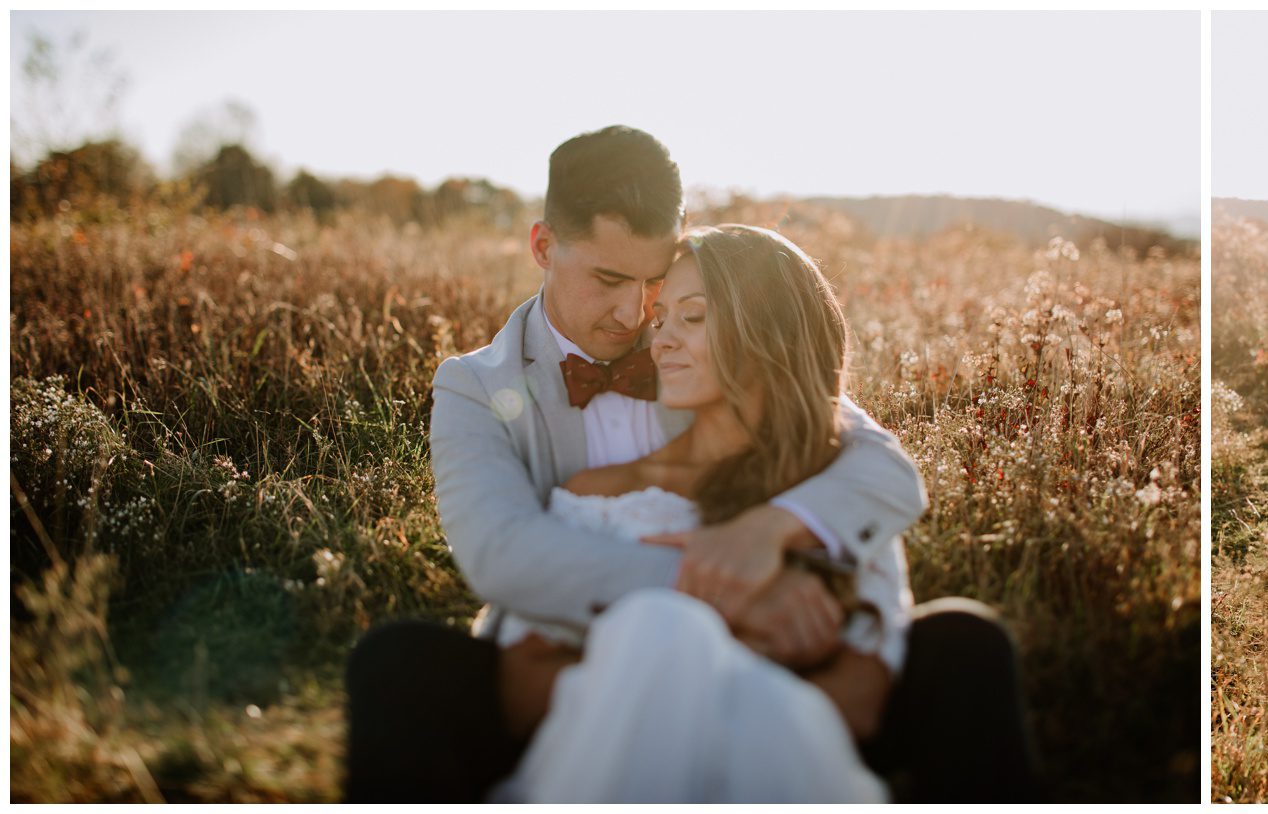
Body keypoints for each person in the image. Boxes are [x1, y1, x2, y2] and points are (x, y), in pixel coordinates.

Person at [345, 126, 1040, 802]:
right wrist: (730, 592)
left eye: (655, 284)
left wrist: (769, 531)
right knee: (398, 663)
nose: (634, 314)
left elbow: (876, 467)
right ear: (543, 245)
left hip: (797, 674)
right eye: (610, 278)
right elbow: (503, 553)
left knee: (963, 643)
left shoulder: (720, 359)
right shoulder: (476, 386)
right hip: (579, 647)